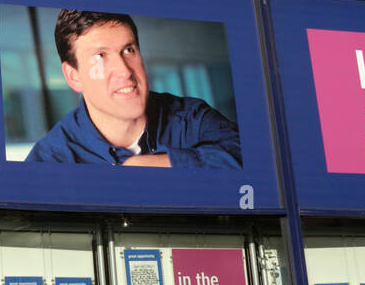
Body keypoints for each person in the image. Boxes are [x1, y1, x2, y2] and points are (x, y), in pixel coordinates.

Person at [26, 10, 241, 167]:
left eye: (128, 50)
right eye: (100, 56)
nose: (124, 71)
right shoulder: (49, 160)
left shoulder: (190, 118)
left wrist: (165, 164)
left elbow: (258, 160)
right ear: (74, 77)